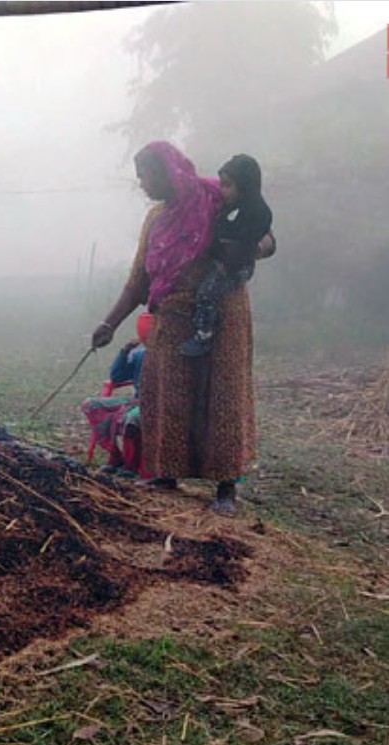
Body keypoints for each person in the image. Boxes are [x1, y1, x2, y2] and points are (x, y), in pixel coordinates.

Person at [90, 141, 273, 516]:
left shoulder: (215, 201)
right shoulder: (156, 219)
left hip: (222, 315)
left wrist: (252, 249)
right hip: (171, 319)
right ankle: (166, 473)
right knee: (167, 395)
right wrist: (109, 322)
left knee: (222, 396)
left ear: (167, 172)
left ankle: (225, 487)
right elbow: (138, 281)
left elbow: (265, 234)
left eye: (145, 174)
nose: (141, 183)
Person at [180, 154, 273, 357]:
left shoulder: (255, 212)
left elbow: (256, 243)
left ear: (245, 185)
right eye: (222, 185)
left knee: (207, 293)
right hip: (221, 264)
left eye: (228, 185)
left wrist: (229, 264)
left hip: (234, 268)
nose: (223, 191)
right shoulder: (223, 207)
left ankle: (204, 334)